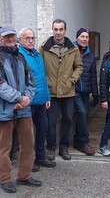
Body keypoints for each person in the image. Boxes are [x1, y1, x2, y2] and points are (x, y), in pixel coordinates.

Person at [0, 24, 42, 194]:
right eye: (7, 36)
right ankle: (4, 178)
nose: (10, 39)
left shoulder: (21, 58)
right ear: (1, 38)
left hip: (23, 109)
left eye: (12, 36)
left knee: (28, 144)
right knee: (4, 147)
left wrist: (26, 99)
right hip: (5, 110)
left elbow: (31, 82)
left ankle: (24, 176)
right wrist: (18, 98)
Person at [39, 19, 83, 161]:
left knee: (68, 119)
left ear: (65, 30)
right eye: (55, 29)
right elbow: (39, 68)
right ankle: (51, 147)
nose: (58, 32)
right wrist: (45, 83)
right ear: (52, 30)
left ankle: (64, 147)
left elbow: (79, 67)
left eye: (61, 29)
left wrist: (72, 80)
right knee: (51, 121)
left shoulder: (73, 49)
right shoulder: (44, 48)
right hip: (50, 91)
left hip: (68, 92)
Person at [18, 28, 56, 170]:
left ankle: (40, 157)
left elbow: (42, 78)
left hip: (40, 101)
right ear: (21, 40)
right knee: (28, 134)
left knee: (42, 129)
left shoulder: (38, 55)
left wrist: (47, 97)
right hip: (28, 102)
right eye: (27, 38)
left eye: (32, 38)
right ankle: (29, 161)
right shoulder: (20, 55)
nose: (30, 40)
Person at [73, 28, 99, 156]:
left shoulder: (90, 56)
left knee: (83, 116)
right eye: (82, 37)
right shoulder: (70, 52)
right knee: (82, 113)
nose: (84, 39)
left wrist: (95, 93)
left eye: (87, 37)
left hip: (85, 92)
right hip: (74, 91)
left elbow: (93, 76)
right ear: (77, 38)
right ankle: (84, 142)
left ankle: (77, 141)